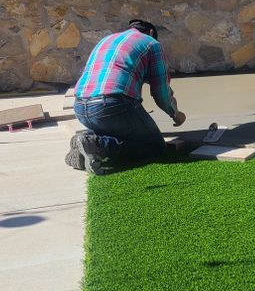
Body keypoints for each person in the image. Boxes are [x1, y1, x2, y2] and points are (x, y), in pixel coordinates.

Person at [65, 19, 186, 175]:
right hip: (112, 106)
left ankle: (87, 141)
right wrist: (175, 114)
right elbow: (160, 92)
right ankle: (98, 145)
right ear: (150, 33)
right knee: (155, 146)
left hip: (81, 108)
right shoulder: (151, 43)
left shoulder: (107, 40)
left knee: (120, 128)